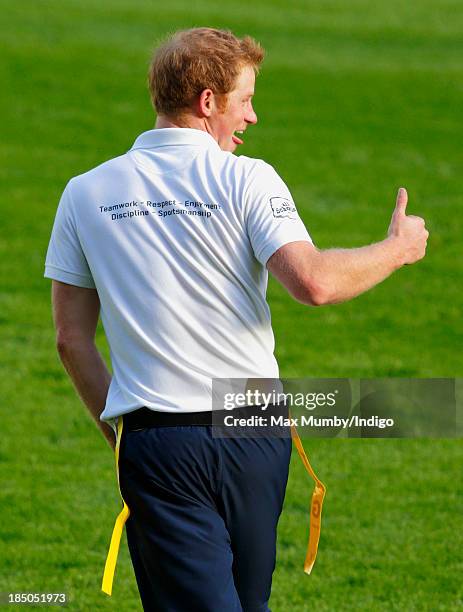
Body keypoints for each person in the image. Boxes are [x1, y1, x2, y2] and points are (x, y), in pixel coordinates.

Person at [44, 27, 428, 612]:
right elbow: (315, 283)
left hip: (160, 442)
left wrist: (121, 434)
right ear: (207, 102)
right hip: (255, 435)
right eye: (245, 100)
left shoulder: (84, 192)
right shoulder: (246, 178)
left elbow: (71, 340)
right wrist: (398, 248)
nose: (252, 117)